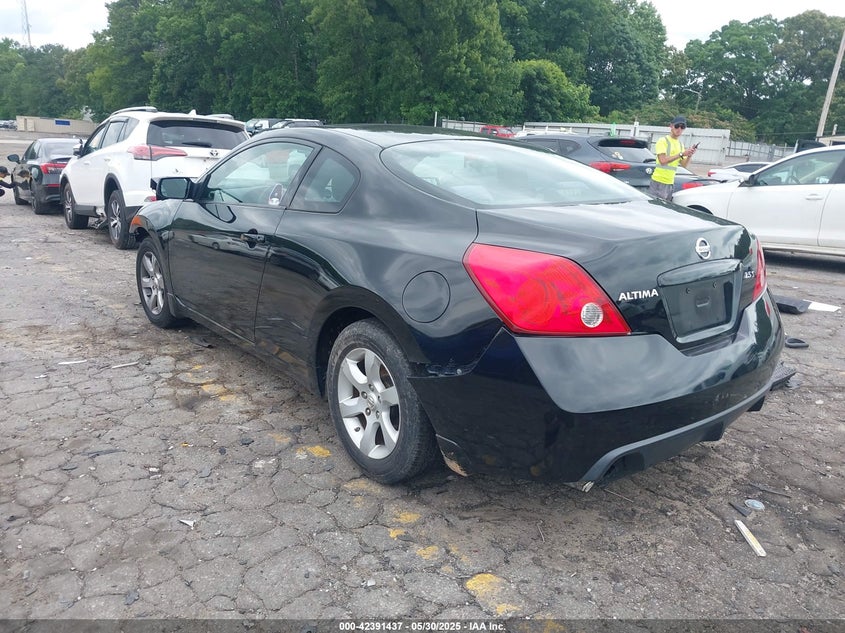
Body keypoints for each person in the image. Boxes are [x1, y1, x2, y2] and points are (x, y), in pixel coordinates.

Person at [649, 115, 697, 201]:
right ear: (671, 126)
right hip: (659, 181)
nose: (679, 129)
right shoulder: (663, 141)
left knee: (665, 209)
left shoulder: (680, 144)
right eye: (677, 126)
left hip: (670, 182)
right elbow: (662, 161)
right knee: (656, 209)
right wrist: (681, 154)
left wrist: (689, 155)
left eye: (682, 127)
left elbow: (684, 165)